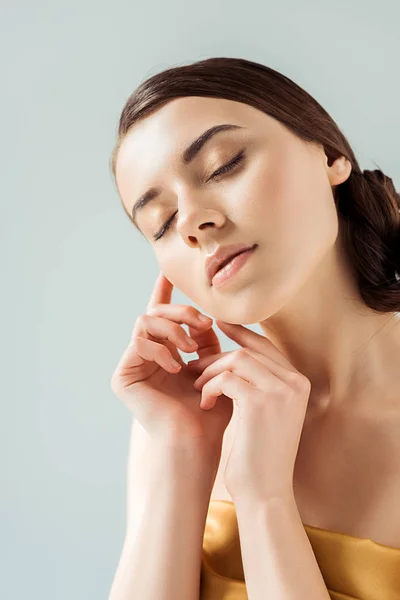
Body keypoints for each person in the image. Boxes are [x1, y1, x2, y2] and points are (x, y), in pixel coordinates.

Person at [108, 57, 400, 600]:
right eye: (162, 223)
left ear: (331, 155)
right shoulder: (184, 421)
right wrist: (180, 453)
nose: (193, 222)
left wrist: (264, 498)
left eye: (223, 165)